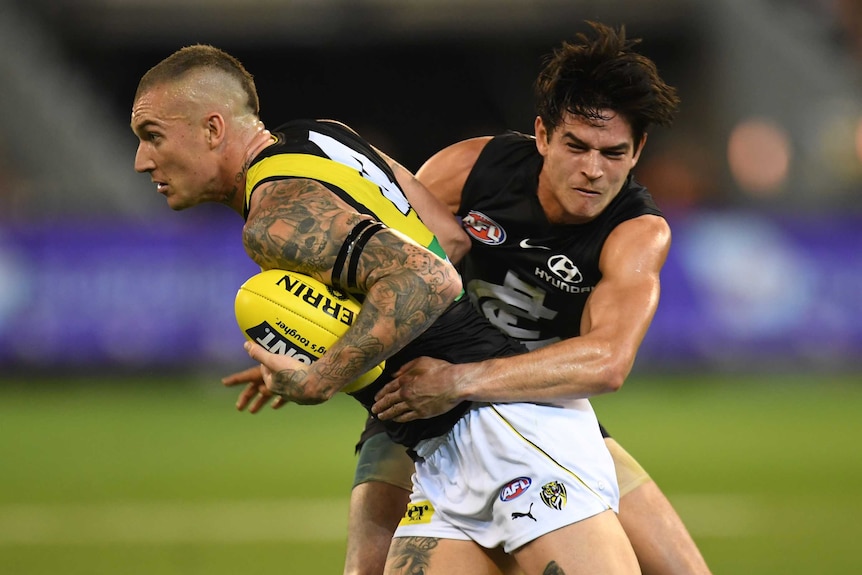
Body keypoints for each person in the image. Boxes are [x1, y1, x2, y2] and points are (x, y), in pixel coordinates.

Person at [131, 44, 640, 574]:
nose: (143, 159)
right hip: (441, 453)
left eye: (153, 137)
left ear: (212, 129)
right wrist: (329, 335)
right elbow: (448, 239)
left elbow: (428, 275)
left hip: (509, 436)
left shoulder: (274, 219)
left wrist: (321, 377)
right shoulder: (321, 136)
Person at [361, 22, 712, 575]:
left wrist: (459, 381)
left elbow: (608, 361)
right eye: (576, 145)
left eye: (613, 152)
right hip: (421, 411)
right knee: (367, 567)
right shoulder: (471, 171)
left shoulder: (637, 231)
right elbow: (383, 270)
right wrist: (318, 342)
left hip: (543, 411)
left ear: (638, 150)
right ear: (543, 135)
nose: (593, 170)